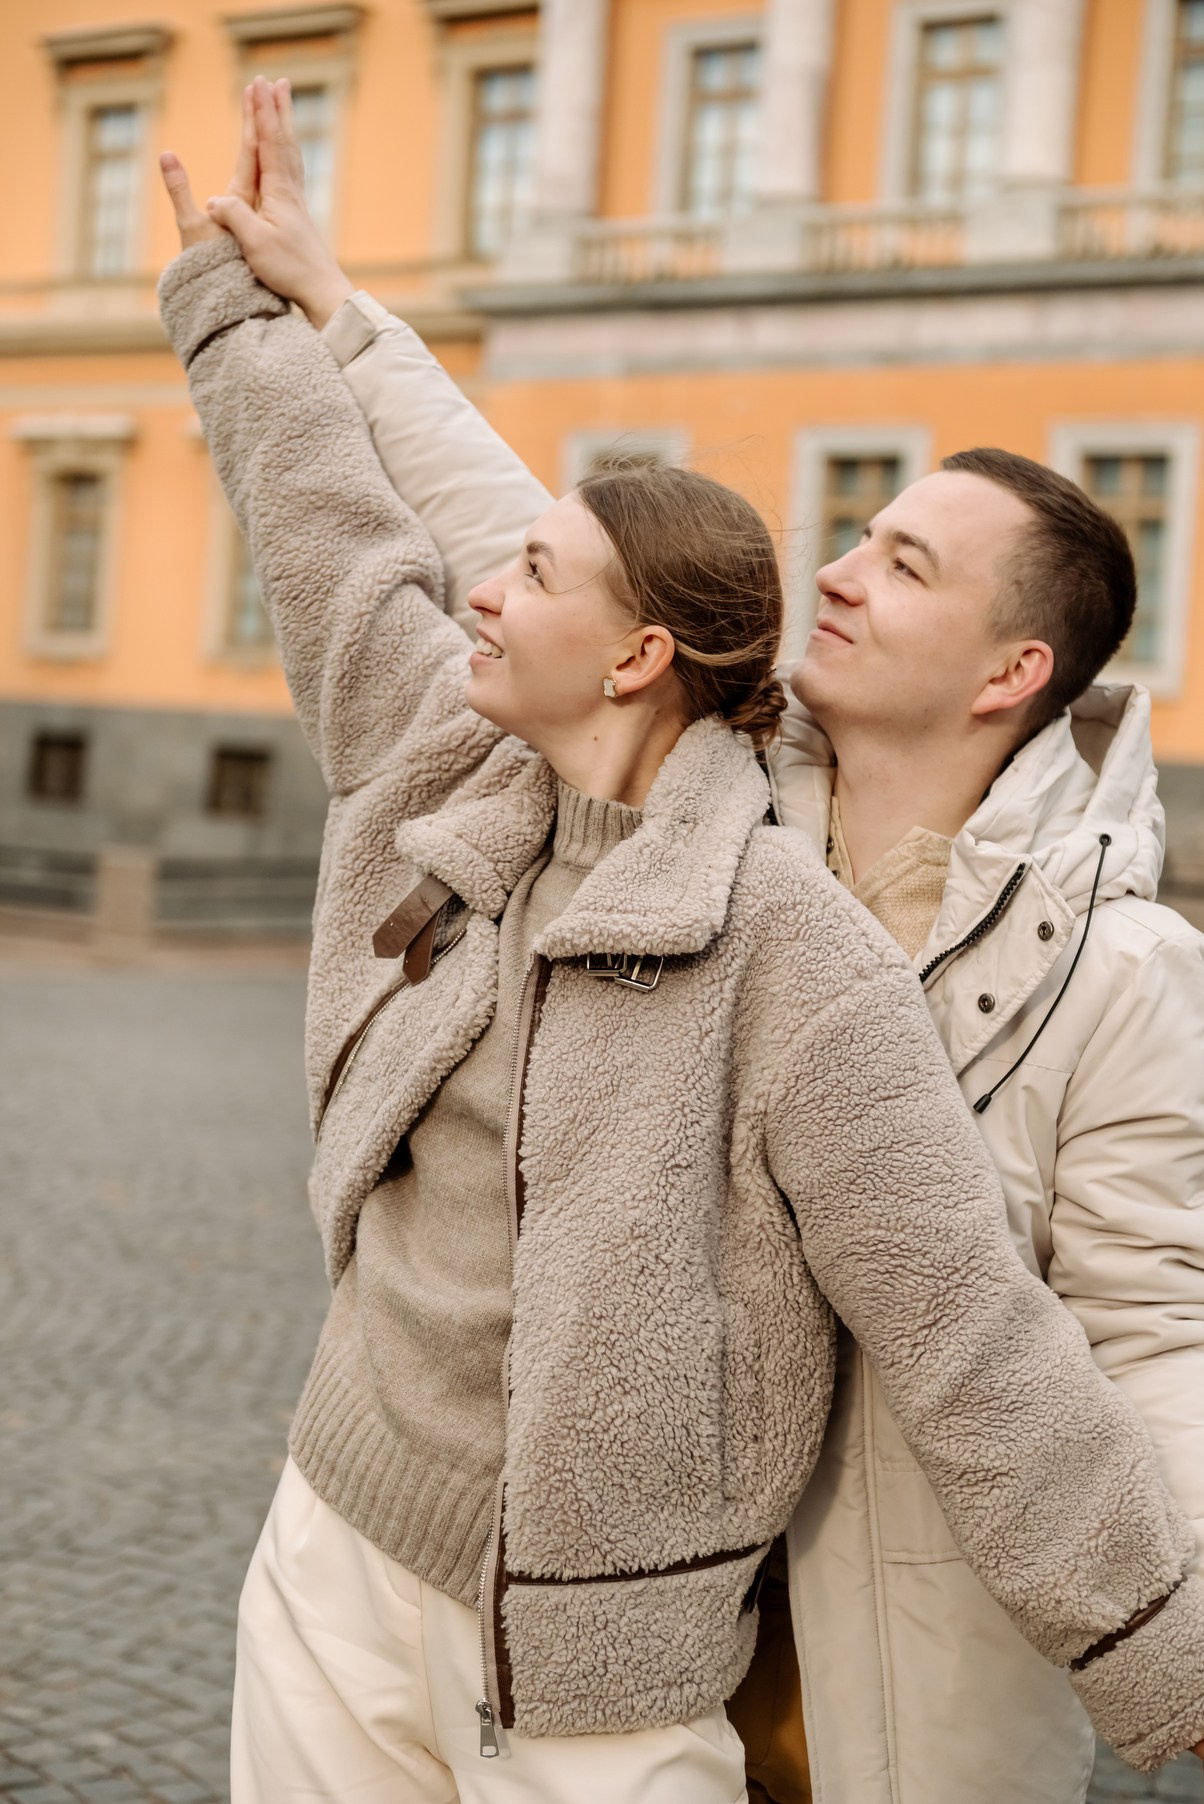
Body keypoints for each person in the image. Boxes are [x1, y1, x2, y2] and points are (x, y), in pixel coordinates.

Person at [159, 81, 1204, 1804]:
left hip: (873, 1623)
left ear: (1014, 673)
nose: (844, 571)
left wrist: (1164, 1642)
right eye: (858, 533)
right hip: (534, 1567)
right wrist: (325, 309)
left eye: (906, 563)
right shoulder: (692, 780)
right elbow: (511, 539)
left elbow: (1089, 1339)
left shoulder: (1108, 973)